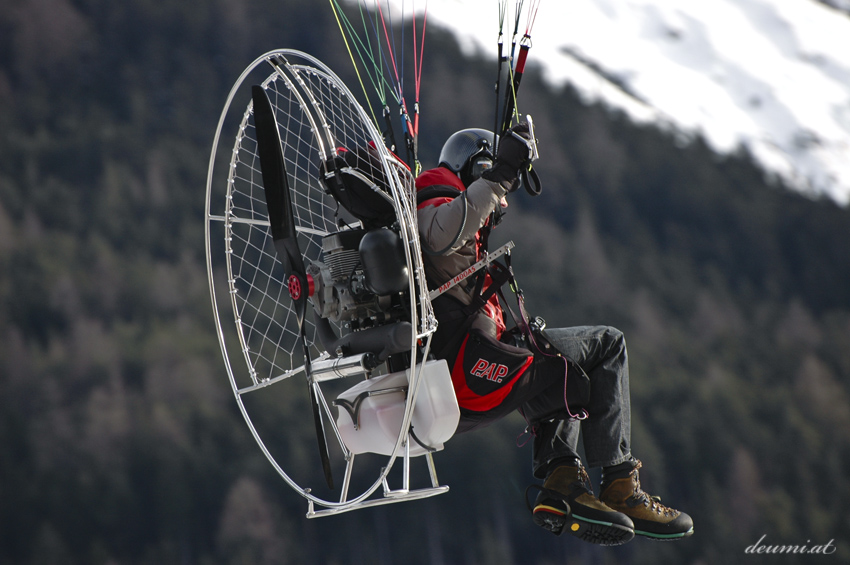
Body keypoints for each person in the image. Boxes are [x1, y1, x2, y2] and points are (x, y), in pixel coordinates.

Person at [415, 125, 694, 545]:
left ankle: (563, 476)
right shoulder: (437, 188)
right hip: (465, 367)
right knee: (607, 346)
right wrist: (501, 175)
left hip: (468, 372)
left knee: (552, 360)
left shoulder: (461, 239)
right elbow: (439, 231)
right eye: (495, 183)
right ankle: (619, 484)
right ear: (476, 169)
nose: (503, 202)